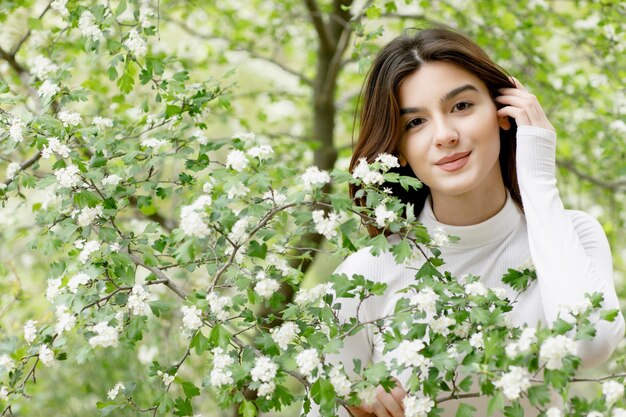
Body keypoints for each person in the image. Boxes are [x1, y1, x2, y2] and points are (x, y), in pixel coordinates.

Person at [319, 26, 625, 417]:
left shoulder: (574, 234)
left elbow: (589, 345)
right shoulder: (366, 275)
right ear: (399, 150)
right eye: (415, 123)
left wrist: (538, 177)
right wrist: (354, 408)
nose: (445, 135)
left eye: (461, 106)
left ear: (502, 112)